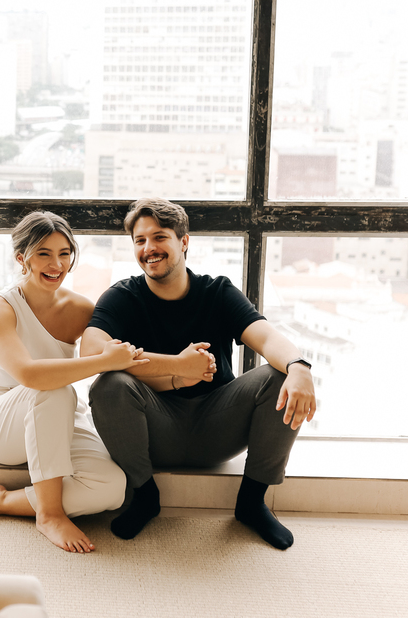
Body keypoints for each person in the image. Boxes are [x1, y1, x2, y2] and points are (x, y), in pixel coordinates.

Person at [81, 198, 317, 550]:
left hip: (218, 425)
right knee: (109, 384)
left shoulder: (217, 291)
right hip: (153, 429)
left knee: (281, 375)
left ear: (184, 242)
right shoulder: (122, 296)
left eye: (159, 237)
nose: (148, 248)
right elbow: (90, 351)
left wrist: (299, 366)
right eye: (140, 240)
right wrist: (176, 366)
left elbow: (266, 336)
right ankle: (144, 496)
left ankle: (251, 502)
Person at [0, 210, 150, 553]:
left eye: (64, 253)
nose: (56, 264)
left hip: (56, 414)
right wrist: (103, 361)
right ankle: (49, 514)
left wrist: (180, 364)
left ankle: (3, 501)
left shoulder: (80, 309)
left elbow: (127, 350)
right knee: (53, 388)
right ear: (22, 258)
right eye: (44, 253)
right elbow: (29, 375)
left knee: (111, 487)